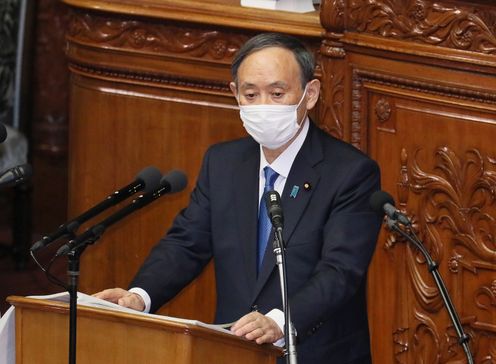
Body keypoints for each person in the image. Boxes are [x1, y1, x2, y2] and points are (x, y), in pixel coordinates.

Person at [95, 33, 382, 364]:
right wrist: (139, 296)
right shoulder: (223, 163)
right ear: (235, 95)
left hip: (315, 354)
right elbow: (186, 244)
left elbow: (340, 271)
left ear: (310, 93)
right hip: (233, 352)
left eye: (277, 94)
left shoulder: (350, 173)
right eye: (250, 94)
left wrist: (278, 321)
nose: (263, 106)